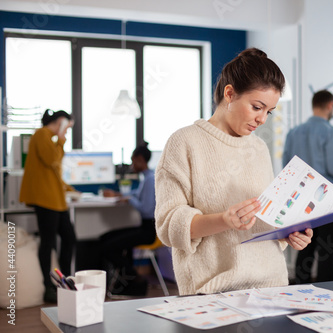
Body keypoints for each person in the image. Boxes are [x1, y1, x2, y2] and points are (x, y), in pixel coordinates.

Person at [155, 48, 313, 296]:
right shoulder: (184, 143)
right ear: (229, 93)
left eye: (268, 112)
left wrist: (288, 234)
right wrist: (224, 220)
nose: (262, 119)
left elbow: (263, 221)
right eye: (257, 107)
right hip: (212, 294)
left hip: (273, 288)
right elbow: (168, 227)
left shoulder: (259, 148)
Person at [282, 90, 333, 284]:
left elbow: (287, 168)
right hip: (329, 202)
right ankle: (328, 295)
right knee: (327, 253)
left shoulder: (294, 132)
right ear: (330, 106)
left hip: (302, 203)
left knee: (304, 249)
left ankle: (299, 291)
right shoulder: (330, 132)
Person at [19, 109, 77, 303]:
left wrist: (69, 188)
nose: (66, 133)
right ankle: (47, 288)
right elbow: (52, 159)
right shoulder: (41, 134)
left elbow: (54, 168)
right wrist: (60, 138)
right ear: (60, 122)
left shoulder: (50, 140)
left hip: (55, 200)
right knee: (48, 242)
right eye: (66, 127)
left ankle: (65, 282)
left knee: (69, 237)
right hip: (46, 200)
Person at [100, 142, 156, 296]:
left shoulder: (151, 179)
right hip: (144, 227)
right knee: (105, 237)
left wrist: (128, 200)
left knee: (108, 246)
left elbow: (145, 208)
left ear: (139, 159)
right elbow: (135, 194)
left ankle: (133, 278)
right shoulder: (145, 178)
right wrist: (119, 195)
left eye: (133, 160)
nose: (132, 164)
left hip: (149, 230)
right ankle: (125, 281)